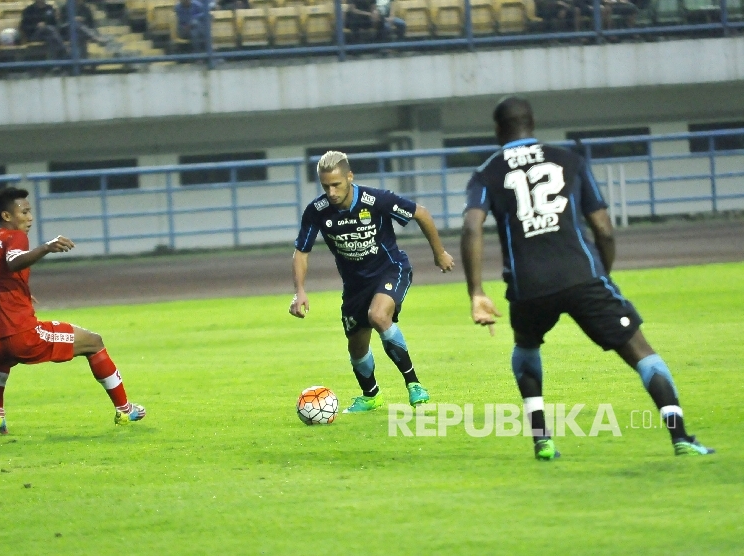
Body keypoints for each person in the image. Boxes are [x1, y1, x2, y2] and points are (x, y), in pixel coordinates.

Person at [460, 96, 714, 459]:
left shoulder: (487, 171)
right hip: (583, 277)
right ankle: (682, 438)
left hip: (528, 285)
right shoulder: (569, 160)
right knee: (642, 353)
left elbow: (472, 227)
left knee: (526, 348)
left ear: (499, 130)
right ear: (532, 123)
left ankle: (542, 439)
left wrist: (476, 291)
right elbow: (604, 230)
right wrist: (601, 276)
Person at [290, 151, 455, 413]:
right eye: (325, 186)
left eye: (336, 185)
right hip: (355, 286)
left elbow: (420, 213)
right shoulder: (317, 211)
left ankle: (414, 384)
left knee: (378, 316)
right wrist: (299, 291)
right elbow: (302, 251)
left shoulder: (376, 200)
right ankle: (371, 395)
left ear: (350, 177)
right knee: (357, 347)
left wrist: (439, 253)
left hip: (391, 270)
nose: (331, 192)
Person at [0, 187, 145, 435]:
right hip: (21, 334)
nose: (30, 217)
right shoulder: (14, 237)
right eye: (24, 211)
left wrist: (16, 292)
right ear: (7, 216)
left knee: (0, 356)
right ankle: (125, 409)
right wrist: (46, 247)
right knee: (94, 342)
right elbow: (12, 261)